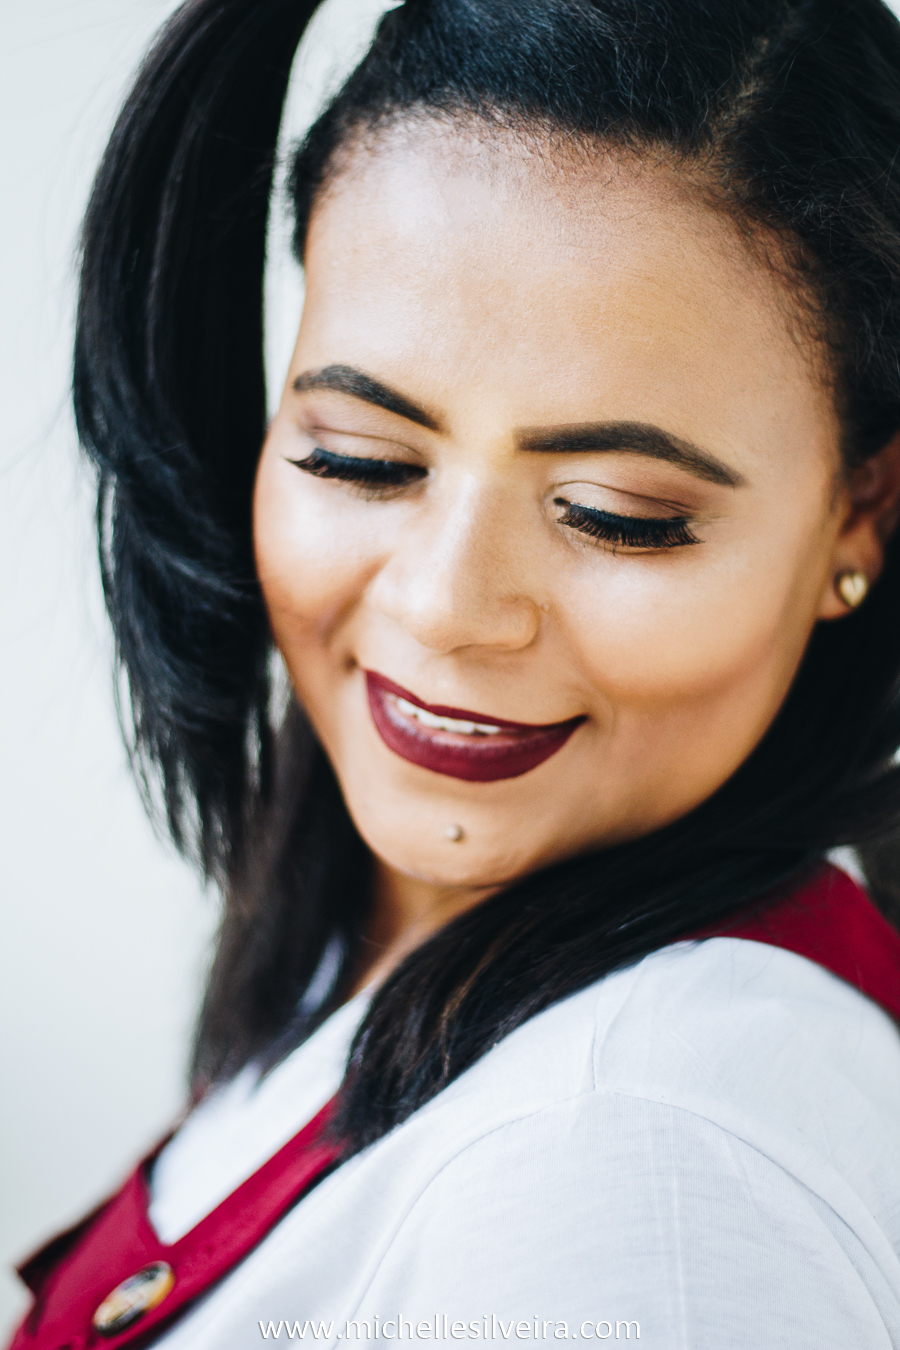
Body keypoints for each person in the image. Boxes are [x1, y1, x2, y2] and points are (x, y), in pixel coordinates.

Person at [11, 0, 900, 1345]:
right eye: (360, 457)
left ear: (860, 516)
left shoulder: (634, 1160)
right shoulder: (384, 938)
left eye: (616, 512)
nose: (443, 605)